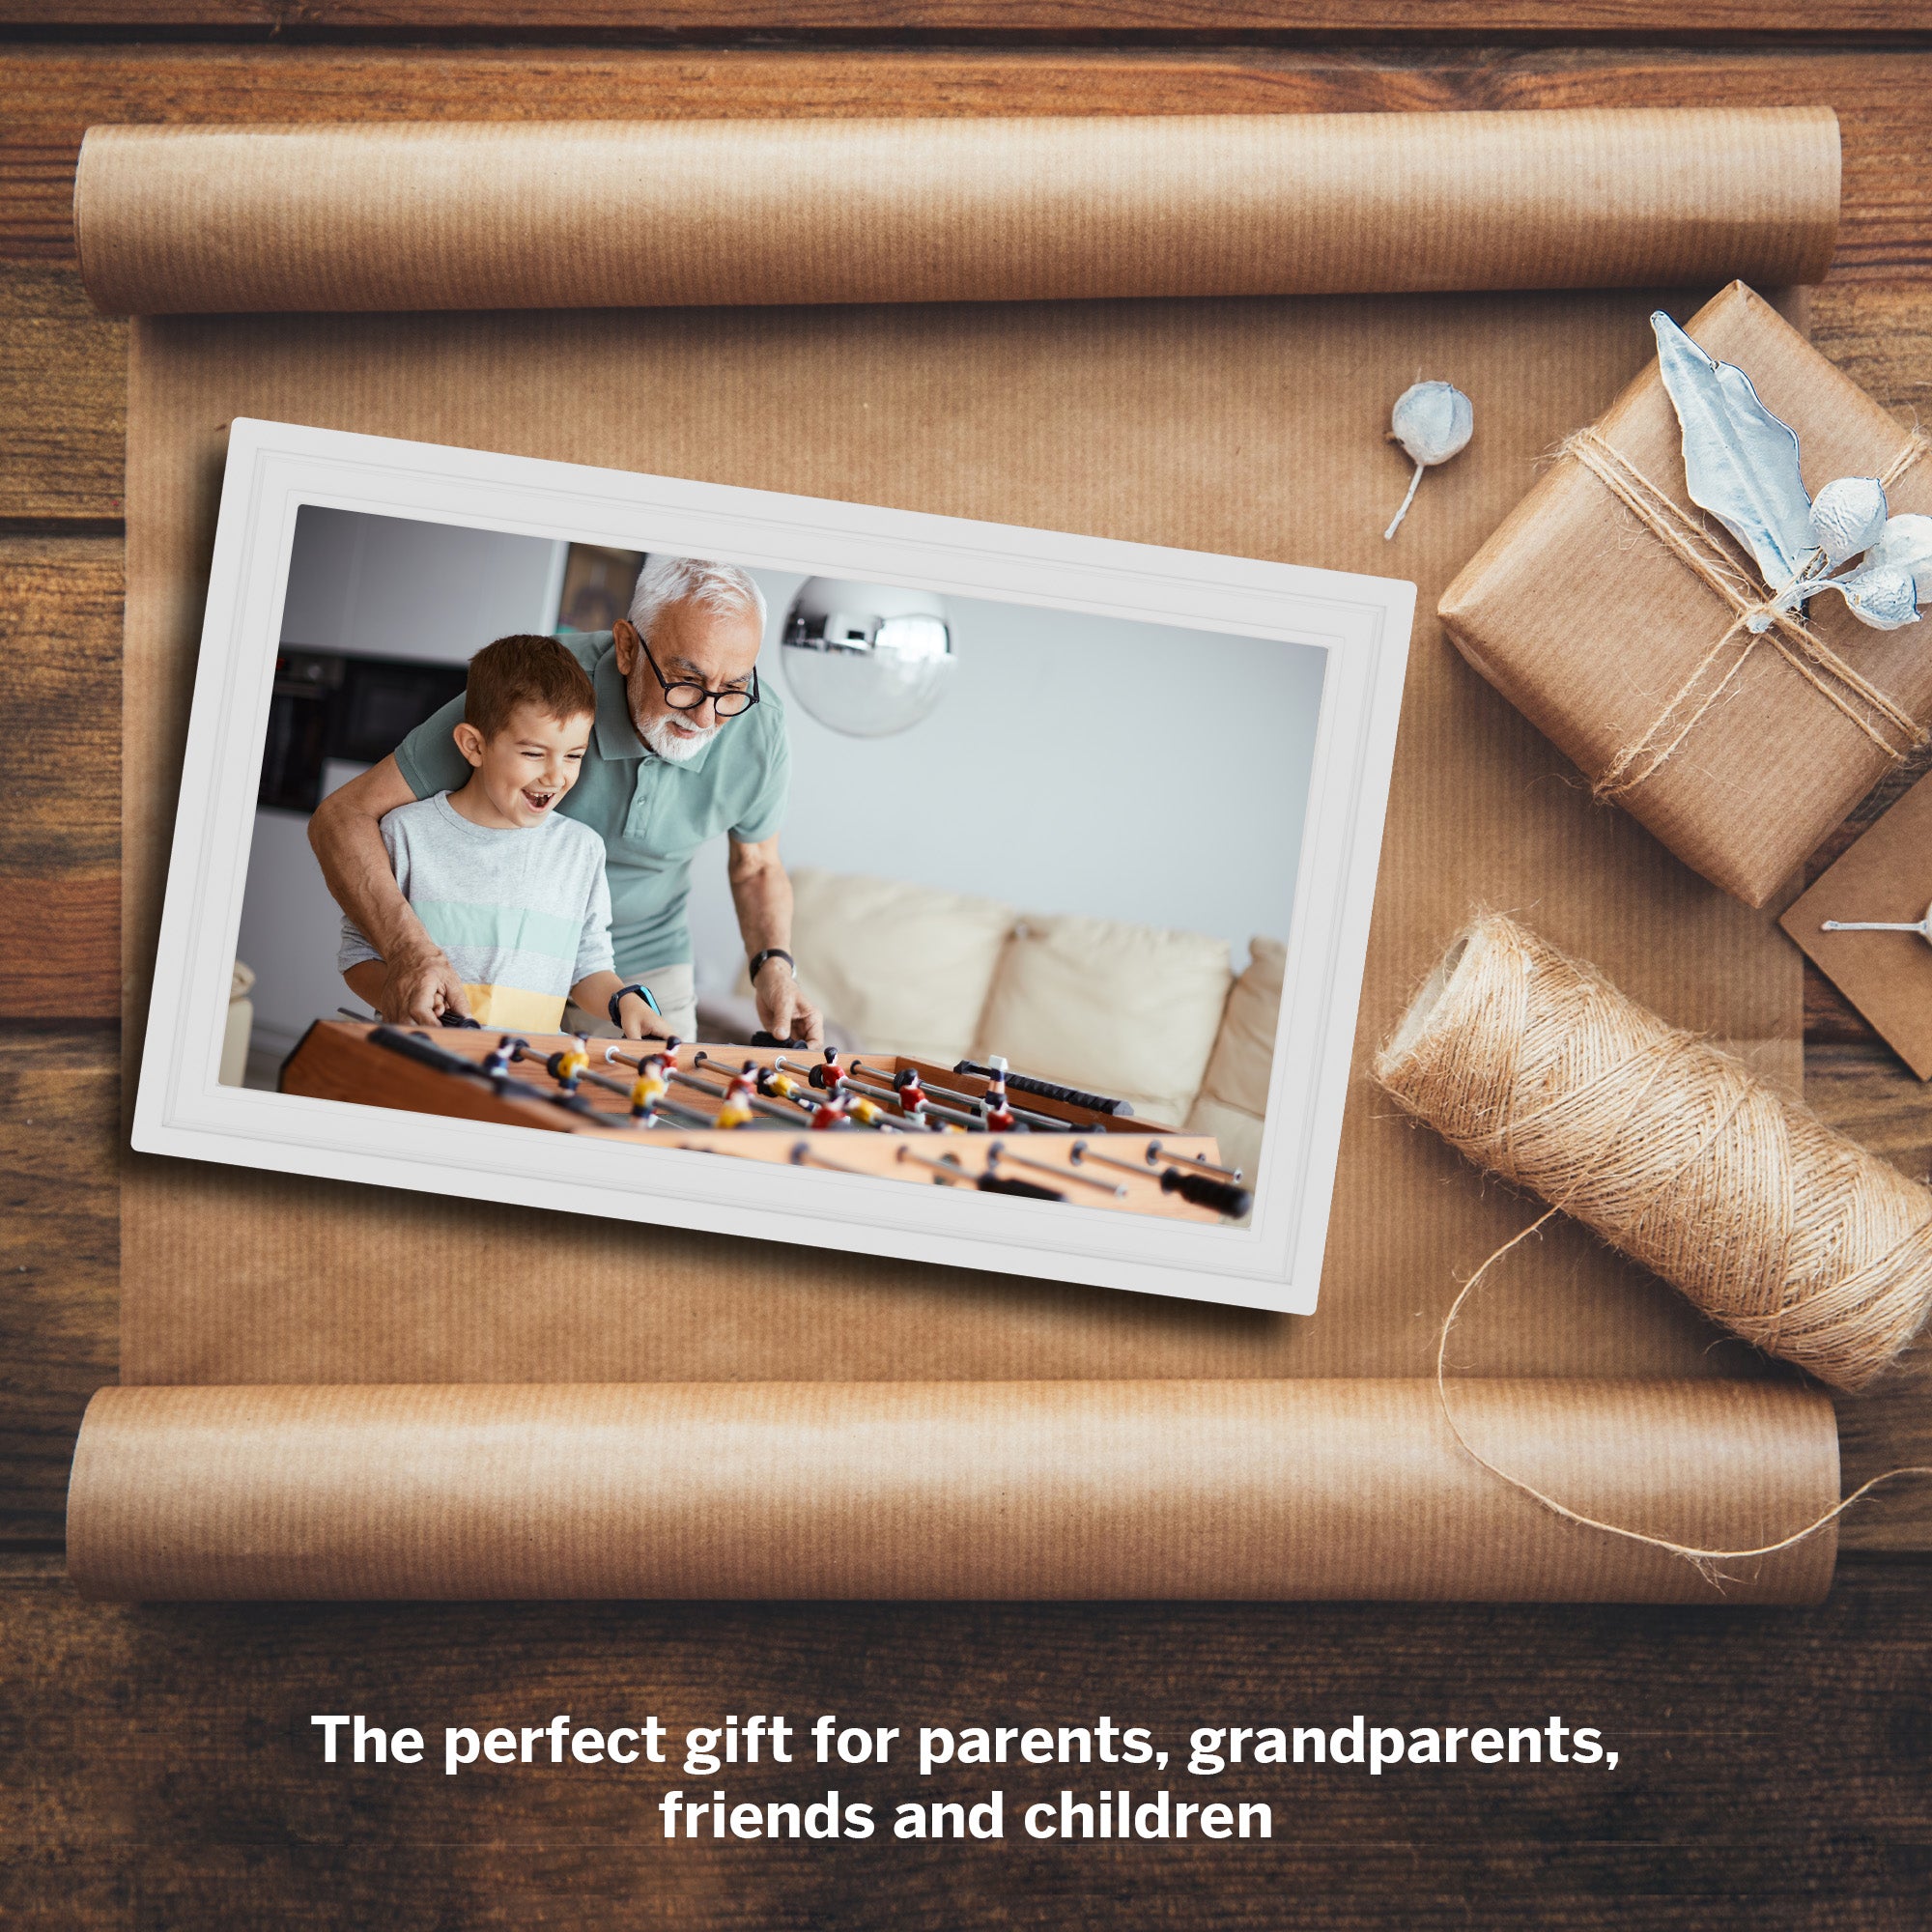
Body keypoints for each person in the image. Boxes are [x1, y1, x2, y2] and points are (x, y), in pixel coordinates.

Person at [312, 555, 824, 1047]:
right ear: (627, 648)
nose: (707, 718)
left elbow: (757, 865)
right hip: (482, 958)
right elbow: (343, 816)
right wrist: (410, 953)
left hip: (636, 960)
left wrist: (773, 966)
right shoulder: (541, 692)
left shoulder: (758, 727)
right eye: (686, 681)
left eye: (732, 688)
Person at [337, 635, 659, 1041]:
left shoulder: (582, 850)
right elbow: (358, 956)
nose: (556, 776)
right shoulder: (405, 833)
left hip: (529, 1065)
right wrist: (408, 998)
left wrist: (623, 1002)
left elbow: (588, 966)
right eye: (533, 753)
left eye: (573, 756)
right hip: (419, 1055)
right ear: (474, 746)